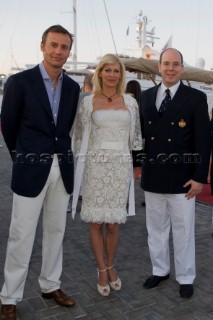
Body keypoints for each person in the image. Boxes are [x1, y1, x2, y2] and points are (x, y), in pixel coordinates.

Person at [0, 25, 80, 320]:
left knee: (56, 231)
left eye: (64, 47)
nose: (59, 51)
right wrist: (22, 157)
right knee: (21, 234)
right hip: (30, 167)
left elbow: (66, 127)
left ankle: (50, 285)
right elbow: (8, 125)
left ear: (69, 52)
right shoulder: (20, 82)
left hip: (63, 168)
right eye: (54, 45)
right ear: (43, 46)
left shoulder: (73, 88)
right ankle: (9, 296)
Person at [140, 48, 211, 299]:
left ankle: (186, 276)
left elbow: (204, 140)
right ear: (159, 67)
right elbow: (142, 139)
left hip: (183, 178)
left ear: (182, 67)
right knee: (156, 228)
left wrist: (200, 177)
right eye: (166, 64)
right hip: (154, 176)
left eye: (176, 64)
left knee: (183, 230)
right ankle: (159, 270)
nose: (171, 68)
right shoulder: (146, 97)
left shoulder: (195, 98)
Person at [71, 53, 142, 297]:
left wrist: (135, 165)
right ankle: (101, 270)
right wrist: (82, 164)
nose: (112, 75)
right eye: (108, 70)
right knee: (95, 221)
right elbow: (78, 136)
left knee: (113, 223)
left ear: (121, 75)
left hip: (120, 166)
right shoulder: (88, 102)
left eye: (117, 71)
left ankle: (111, 265)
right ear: (100, 72)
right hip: (95, 166)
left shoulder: (130, 102)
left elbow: (136, 137)